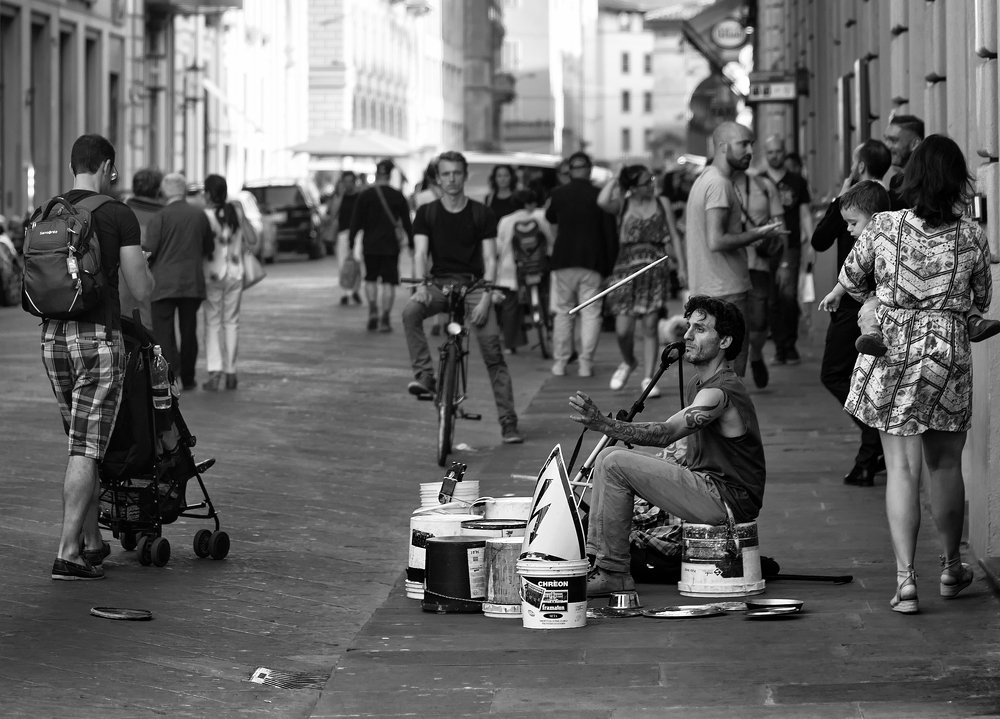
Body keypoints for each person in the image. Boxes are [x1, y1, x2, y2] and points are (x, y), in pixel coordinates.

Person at [837, 135, 993, 614]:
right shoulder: (971, 235)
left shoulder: (883, 226)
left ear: (913, 179)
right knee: (945, 465)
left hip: (892, 348)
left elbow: (852, 276)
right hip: (947, 351)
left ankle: (906, 581)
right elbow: (980, 299)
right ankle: (950, 567)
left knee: (902, 468)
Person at [569, 295, 766, 596]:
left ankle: (612, 571)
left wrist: (605, 424)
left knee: (612, 461)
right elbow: (681, 448)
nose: (687, 335)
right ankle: (603, 563)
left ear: (725, 341)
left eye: (700, 329)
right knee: (612, 461)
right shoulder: (698, 385)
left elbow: (666, 433)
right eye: (688, 327)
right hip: (708, 486)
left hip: (726, 501)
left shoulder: (719, 392)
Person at [41, 134, 153, 580]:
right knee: (87, 447)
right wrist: (144, 263)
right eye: (115, 168)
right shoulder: (117, 214)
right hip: (97, 340)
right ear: (106, 166)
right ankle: (68, 552)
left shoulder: (49, 211)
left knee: (77, 442)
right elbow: (140, 291)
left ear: (74, 166)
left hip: (52, 337)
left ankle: (90, 541)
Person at [402, 151, 523, 444]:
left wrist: (485, 297)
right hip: (438, 284)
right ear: (438, 178)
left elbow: (490, 258)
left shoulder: (481, 213)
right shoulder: (427, 213)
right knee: (410, 312)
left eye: (457, 173)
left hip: (474, 286)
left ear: (465, 175)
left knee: (493, 351)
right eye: (446, 174)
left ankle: (508, 421)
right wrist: (419, 285)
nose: (452, 179)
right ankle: (426, 376)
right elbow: (419, 252)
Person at [811, 139, 892, 486]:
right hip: (857, 304)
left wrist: (838, 201)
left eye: (851, 223)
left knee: (834, 372)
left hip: (857, 306)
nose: (848, 228)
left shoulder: (870, 210)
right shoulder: (882, 204)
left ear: (859, 166)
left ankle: (874, 438)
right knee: (856, 375)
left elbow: (820, 240)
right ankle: (870, 448)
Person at [685, 122, 785, 378]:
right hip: (725, 290)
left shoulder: (706, 180)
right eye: (743, 144)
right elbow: (716, 240)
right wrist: (758, 234)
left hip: (711, 288)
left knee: (712, 376)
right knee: (730, 377)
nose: (749, 150)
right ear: (722, 146)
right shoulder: (719, 184)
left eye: (751, 144)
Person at [597, 164, 686, 397]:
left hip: (655, 268)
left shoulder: (661, 202)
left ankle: (648, 378)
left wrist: (682, 267)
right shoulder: (623, 204)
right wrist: (617, 178)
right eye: (646, 182)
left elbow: (674, 236)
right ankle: (629, 362)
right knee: (622, 330)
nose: (651, 184)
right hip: (626, 270)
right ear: (633, 188)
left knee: (649, 326)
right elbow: (602, 200)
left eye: (652, 179)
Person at [545, 151, 615, 378]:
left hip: (563, 260)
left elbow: (551, 219)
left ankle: (560, 363)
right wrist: (610, 266)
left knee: (563, 312)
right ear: (589, 169)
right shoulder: (599, 196)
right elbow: (609, 234)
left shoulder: (558, 194)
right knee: (591, 313)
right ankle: (585, 364)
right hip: (592, 262)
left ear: (570, 170)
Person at [144, 173, 215, 391]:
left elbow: (150, 250)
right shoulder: (199, 215)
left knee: (164, 332)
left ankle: (170, 376)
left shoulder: (160, 217)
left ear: (165, 192)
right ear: (183, 191)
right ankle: (190, 377)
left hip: (163, 283)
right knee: (189, 330)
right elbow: (209, 248)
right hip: (191, 282)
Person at [762, 134, 814, 365]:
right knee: (771, 299)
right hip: (764, 247)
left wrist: (811, 241)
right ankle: (780, 348)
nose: (774, 156)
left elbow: (804, 212)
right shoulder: (758, 180)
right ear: (765, 154)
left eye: (778, 151)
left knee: (788, 295)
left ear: (785, 152)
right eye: (770, 152)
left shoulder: (797, 180)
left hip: (791, 245)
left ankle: (790, 345)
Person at [733, 168, 785, 389]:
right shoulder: (716, 186)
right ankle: (732, 380)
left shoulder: (764, 186)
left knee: (760, 321)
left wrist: (782, 261)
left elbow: (780, 226)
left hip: (758, 265)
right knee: (732, 325)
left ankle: (755, 353)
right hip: (728, 268)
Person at [349, 160, 413, 332]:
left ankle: (372, 310)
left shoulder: (365, 195)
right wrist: (413, 243)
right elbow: (407, 223)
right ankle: (385, 317)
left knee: (370, 278)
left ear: (377, 173)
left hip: (370, 245)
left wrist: (351, 241)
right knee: (388, 283)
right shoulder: (397, 196)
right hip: (390, 246)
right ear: (390, 174)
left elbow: (355, 221)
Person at [495, 187, 554, 353]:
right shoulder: (540, 217)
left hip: (510, 270)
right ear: (530, 203)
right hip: (536, 267)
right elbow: (549, 241)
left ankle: (512, 344)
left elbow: (499, 247)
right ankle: (546, 329)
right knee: (543, 298)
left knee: (511, 307)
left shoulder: (505, 220)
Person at [201, 174, 245, 392]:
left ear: (208, 193)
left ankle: (215, 371)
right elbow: (251, 238)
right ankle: (231, 371)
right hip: (235, 273)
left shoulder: (204, 216)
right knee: (231, 323)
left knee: (212, 323)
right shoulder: (236, 211)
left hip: (211, 275)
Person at [121, 167, 164, 327]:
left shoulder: (120, 210)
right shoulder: (163, 216)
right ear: (158, 189)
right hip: (154, 285)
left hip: (123, 283)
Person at [883, 114, 924, 209]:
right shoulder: (896, 181)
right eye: (886, 139)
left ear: (915, 144)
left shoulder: (924, 182)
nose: (887, 146)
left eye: (893, 140)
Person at [334, 171, 363, 306]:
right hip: (343, 233)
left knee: (356, 263)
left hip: (357, 234)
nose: (348, 184)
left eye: (350, 181)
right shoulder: (340, 197)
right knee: (342, 263)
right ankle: (346, 292)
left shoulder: (360, 197)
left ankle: (355, 289)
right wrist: (340, 196)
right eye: (345, 182)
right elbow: (333, 213)